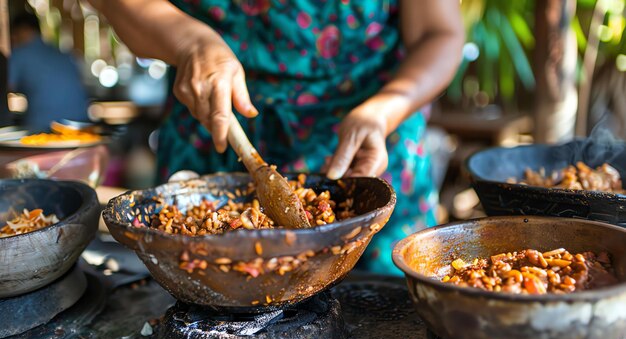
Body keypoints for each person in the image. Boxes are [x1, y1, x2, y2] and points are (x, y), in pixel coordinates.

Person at [90, 0, 464, 275]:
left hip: (370, 135)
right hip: (215, 120)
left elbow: (440, 32)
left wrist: (382, 112)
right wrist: (189, 41)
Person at [9, 12, 89, 132]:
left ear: (24, 30)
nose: (13, 38)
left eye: (14, 33)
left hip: (45, 128)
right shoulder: (64, 55)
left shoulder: (20, 55)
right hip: (82, 127)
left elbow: (6, 88)